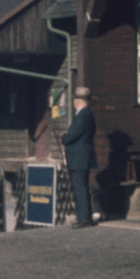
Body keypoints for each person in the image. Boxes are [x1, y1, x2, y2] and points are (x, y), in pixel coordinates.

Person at [60, 86, 97, 228]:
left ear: (78, 101)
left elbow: (73, 135)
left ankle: (84, 219)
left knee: (80, 188)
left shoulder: (82, 115)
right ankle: (84, 217)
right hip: (82, 157)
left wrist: (65, 137)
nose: (74, 102)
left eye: (75, 99)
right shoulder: (88, 114)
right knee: (81, 187)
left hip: (79, 158)